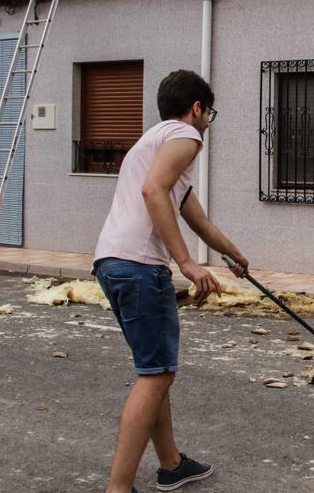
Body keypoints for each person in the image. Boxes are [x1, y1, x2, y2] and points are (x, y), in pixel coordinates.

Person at [92, 69, 249, 493]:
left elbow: (194, 216)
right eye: (208, 113)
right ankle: (118, 489)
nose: (207, 124)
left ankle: (172, 464)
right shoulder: (184, 136)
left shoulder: (154, 143)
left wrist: (233, 254)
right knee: (157, 376)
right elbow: (153, 192)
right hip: (141, 266)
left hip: (112, 263)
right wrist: (186, 263)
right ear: (196, 108)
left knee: (154, 369)